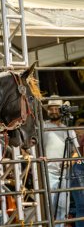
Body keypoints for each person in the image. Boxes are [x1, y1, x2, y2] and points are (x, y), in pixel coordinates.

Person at [43, 96, 79, 227]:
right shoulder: (43, 126)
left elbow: (76, 152)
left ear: (61, 110)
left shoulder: (67, 129)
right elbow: (32, 147)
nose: (53, 111)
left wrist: (71, 161)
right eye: (50, 108)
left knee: (62, 207)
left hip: (64, 173)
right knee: (49, 204)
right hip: (48, 171)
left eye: (55, 108)